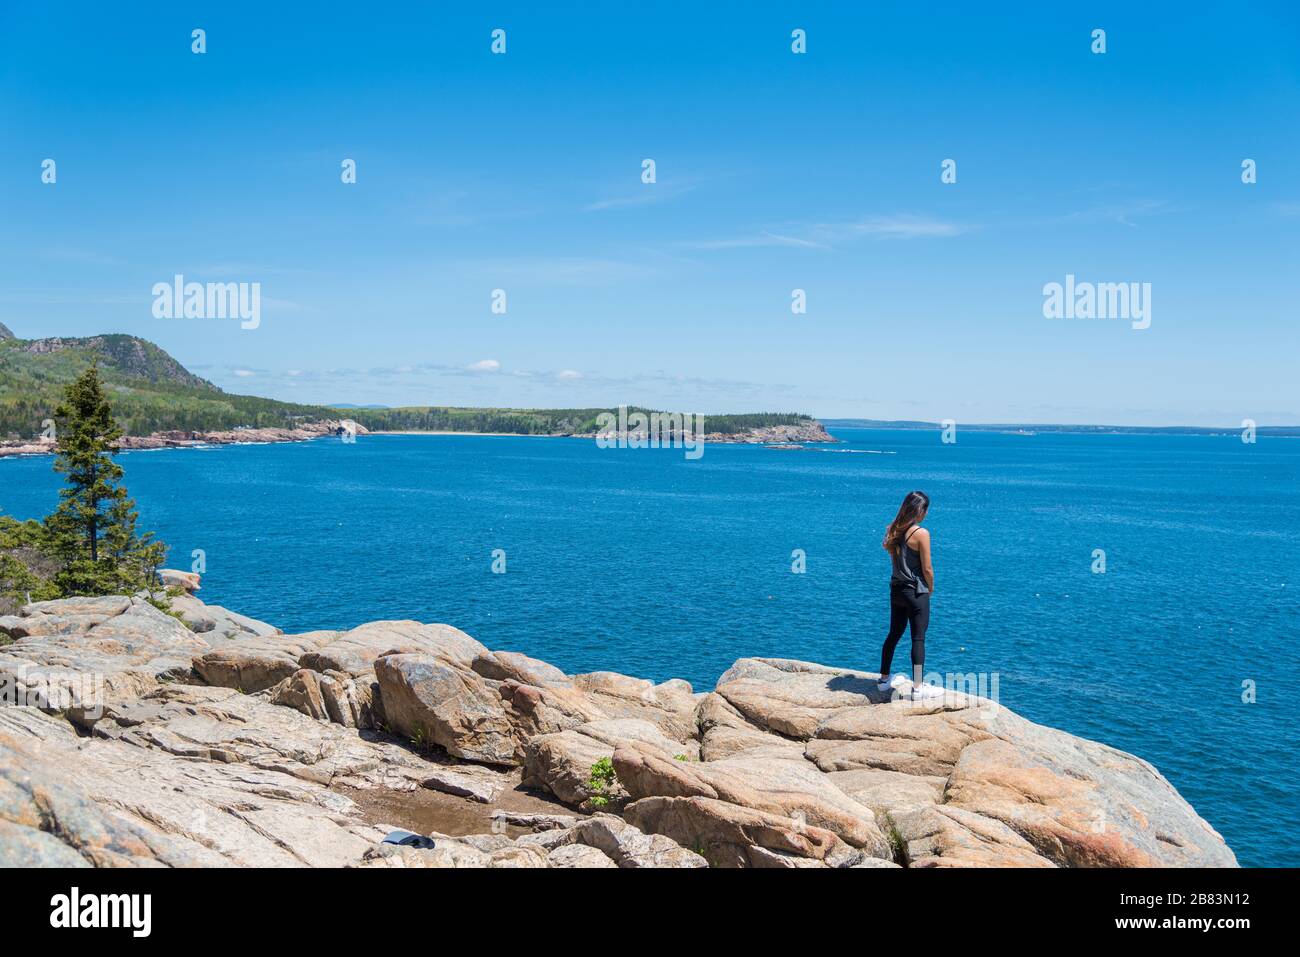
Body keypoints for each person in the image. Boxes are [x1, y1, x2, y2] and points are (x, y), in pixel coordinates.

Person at [878, 490, 944, 700]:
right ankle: (917, 688)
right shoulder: (921, 533)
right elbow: (927, 568)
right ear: (920, 510)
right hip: (916, 592)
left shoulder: (894, 530)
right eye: (926, 510)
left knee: (894, 634)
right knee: (918, 638)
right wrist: (930, 587)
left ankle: (883, 679)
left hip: (896, 590)